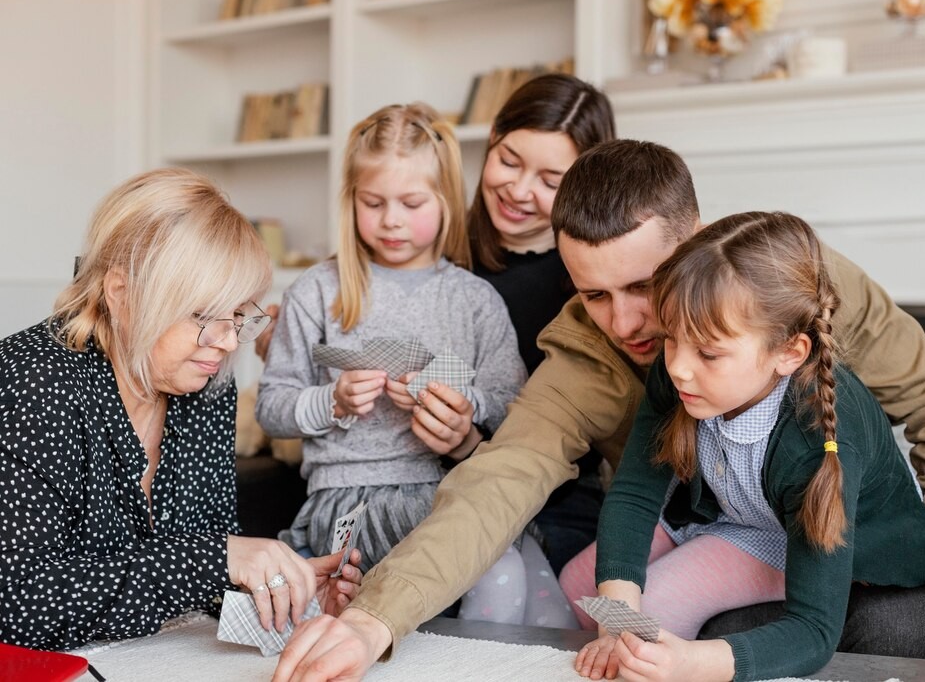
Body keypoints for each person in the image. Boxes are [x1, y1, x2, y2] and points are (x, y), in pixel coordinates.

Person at [271, 140, 925, 682]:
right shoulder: (600, 353)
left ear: (693, 243)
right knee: (595, 584)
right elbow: (500, 481)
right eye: (595, 294)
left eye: (644, 285)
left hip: (824, 528)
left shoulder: (802, 283)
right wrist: (373, 618)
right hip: (716, 516)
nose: (626, 323)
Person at [0, 168, 361, 651]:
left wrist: (280, 594)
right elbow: (18, 605)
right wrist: (214, 560)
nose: (230, 341)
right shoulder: (32, 385)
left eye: (239, 315)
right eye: (202, 315)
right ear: (122, 294)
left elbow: (198, 572)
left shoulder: (207, 387)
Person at [572, 211, 925, 681]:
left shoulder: (814, 441)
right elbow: (636, 492)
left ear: (788, 353)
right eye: (671, 339)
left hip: (812, 540)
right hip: (739, 514)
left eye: (708, 353)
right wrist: (614, 620)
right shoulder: (680, 369)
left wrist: (690, 664)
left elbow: (815, 631)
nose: (677, 367)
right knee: (582, 583)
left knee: (659, 608)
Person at [255, 104, 539, 606]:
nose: (391, 221)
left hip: (446, 488)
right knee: (477, 572)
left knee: (516, 569)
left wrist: (463, 402)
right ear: (351, 200)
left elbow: (511, 400)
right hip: (346, 501)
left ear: (445, 199)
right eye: (373, 202)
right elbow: (272, 407)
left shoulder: (473, 300)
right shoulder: (319, 291)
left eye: (411, 203)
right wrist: (332, 402)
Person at [468, 73, 616, 575]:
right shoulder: (426, 239)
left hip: (556, 490)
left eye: (551, 182)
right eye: (509, 161)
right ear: (492, 138)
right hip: (418, 477)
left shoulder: (593, 284)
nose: (519, 189)